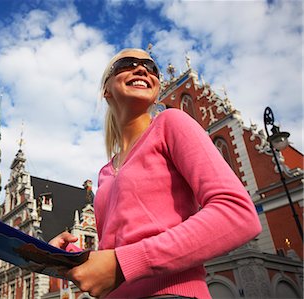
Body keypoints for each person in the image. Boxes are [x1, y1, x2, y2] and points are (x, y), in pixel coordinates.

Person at [49, 48, 262, 298]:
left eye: (151, 68)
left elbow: (238, 213)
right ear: (106, 89)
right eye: (128, 64)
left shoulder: (171, 123)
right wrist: (66, 259)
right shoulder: (105, 172)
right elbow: (113, 253)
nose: (142, 69)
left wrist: (122, 263)